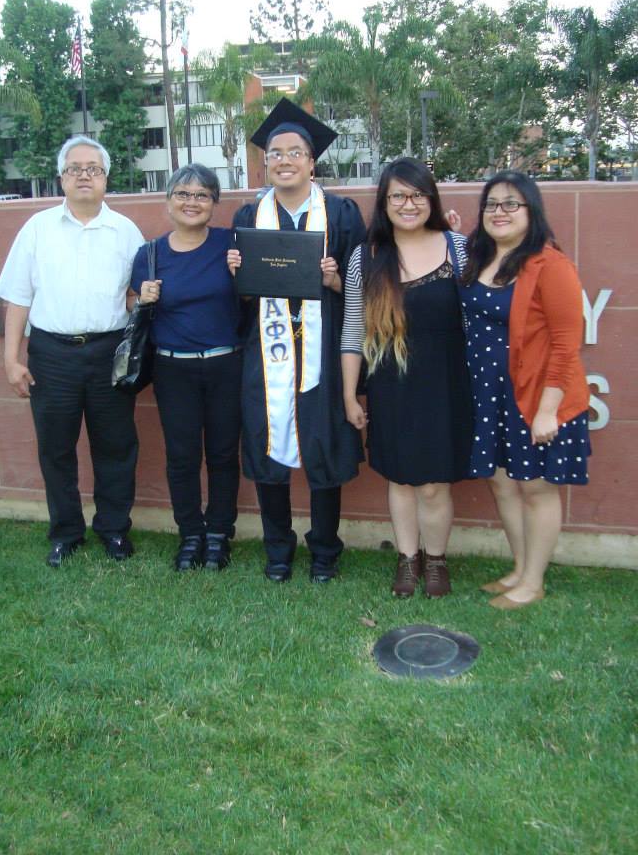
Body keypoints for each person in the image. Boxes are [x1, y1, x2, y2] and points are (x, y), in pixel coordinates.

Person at [227, 99, 366, 583]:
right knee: (268, 449)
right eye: (274, 154)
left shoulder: (343, 215)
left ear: (312, 161)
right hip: (265, 359)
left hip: (324, 356)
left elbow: (363, 290)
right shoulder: (249, 215)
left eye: (294, 152)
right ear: (266, 165)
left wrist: (335, 284)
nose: (283, 161)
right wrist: (236, 278)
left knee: (323, 449)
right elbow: (238, 301)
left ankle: (325, 552)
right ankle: (278, 550)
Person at [0, 135, 144, 567]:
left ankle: (114, 529)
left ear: (105, 177)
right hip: (51, 357)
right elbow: (18, 298)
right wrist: (11, 360)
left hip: (108, 355)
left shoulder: (125, 232)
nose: (84, 175)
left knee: (115, 446)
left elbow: (134, 297)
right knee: (56, 448)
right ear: (61, 177)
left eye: (93, 168)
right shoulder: (37, 229)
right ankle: (66, 532)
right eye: (75, 168)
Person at [341, 158, 473, 599]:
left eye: (418, 194)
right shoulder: (367, 256)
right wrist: (349, 395)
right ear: (384, 201)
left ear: (431, 199)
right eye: (398, 195)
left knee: (434, 483)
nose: (408, 203)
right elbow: (353, 330)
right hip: (390, 382)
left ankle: (436, 561)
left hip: (446, 384)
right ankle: (407, 558)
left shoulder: (459, 248)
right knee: (399, 478)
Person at [460, 171, 591, 609]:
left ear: (531, 212)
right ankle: (519, 568)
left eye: (511, 204)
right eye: (492, 204)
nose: (499, 212)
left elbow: (565, 343)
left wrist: (548, 409)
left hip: (534, 396)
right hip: (488, 394)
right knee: (502, 483)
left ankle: (533, 582)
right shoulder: (479, 258)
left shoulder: (550, 265)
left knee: (535, 488)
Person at [131, 164, 242, 572]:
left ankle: (218, 536)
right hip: (172, 369)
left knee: (223, 455)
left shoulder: (232, 245)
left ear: (214, 203)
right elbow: (132, 310)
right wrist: (141, 299)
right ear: (168, 201)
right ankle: (190, 534)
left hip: (225, 364)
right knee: (181, 456)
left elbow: (252, 300)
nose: (191, 202)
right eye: (183, 194)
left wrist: (240, 275)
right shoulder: (149, 256)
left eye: (202, 195)